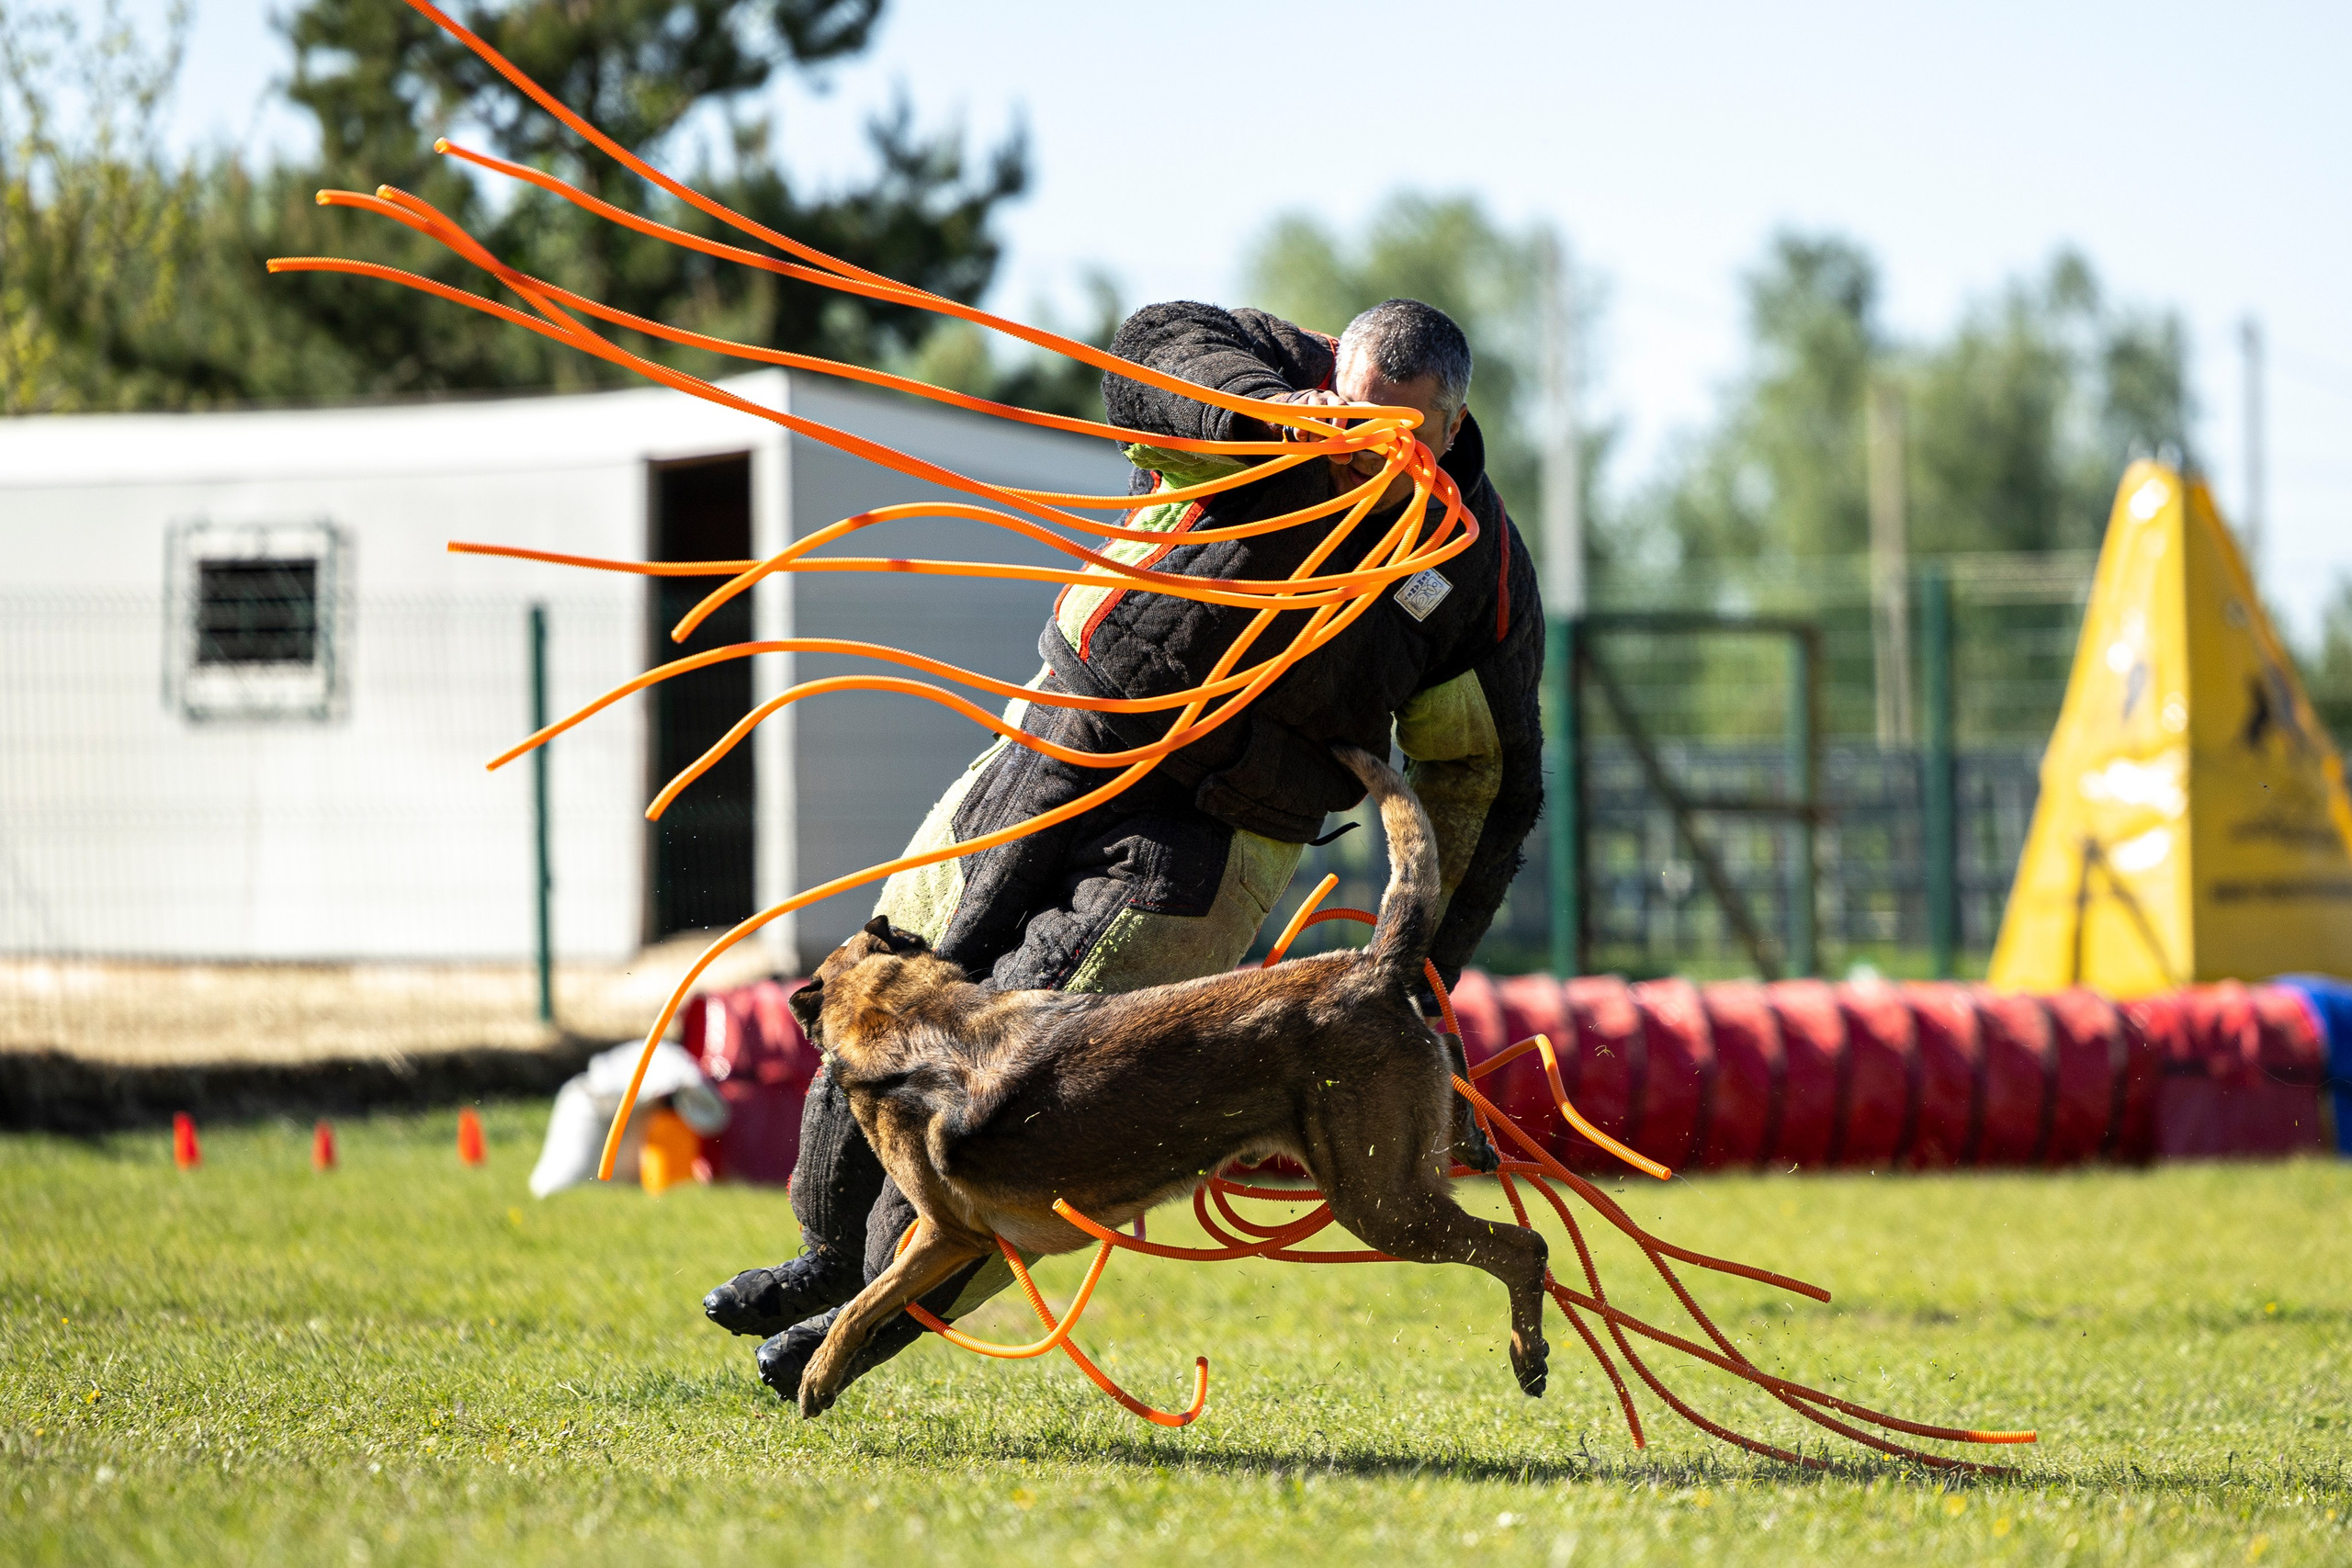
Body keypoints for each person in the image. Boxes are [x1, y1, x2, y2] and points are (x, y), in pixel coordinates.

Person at [704, 297, 1546, 1402]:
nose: (1374, 457)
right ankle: (824, 1252)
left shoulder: (1473, 571)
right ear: (1333, 378)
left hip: (1214, 841)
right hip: (1061, 740)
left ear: (1451, 424)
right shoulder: (1247, 377)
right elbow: (1140, 361)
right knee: (888, 985)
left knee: (1041, 1100)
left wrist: (1422, 986)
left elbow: (1482, 776)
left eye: (1407, 434)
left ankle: (867, 1318)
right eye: (1356, 421)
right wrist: (1275, 416)